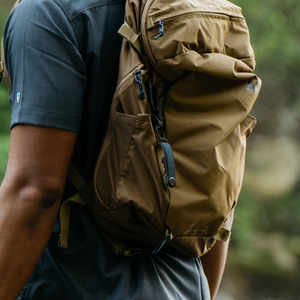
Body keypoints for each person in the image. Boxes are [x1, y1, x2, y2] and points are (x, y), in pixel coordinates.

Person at [0, 0, 233, 299]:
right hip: (182, 286)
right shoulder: (199, 10)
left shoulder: (47, 12)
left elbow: (34, 191)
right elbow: (219, 187)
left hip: (71, 285)